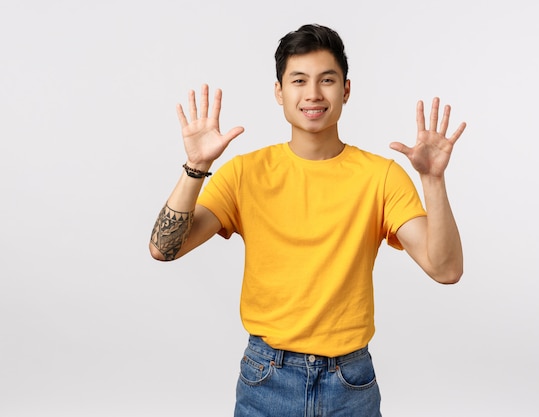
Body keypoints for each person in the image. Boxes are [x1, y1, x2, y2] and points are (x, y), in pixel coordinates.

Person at [150, 23, 466, 417]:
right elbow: (164, 249)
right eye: (298, 80)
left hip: (350, 381)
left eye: (327, 80)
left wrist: (433, 180)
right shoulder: (245, 173)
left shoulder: (380, 177)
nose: (313, 94)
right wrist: (196, 166)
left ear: (346, 90)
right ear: (280, 92)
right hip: (267, 377)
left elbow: (446, 269)